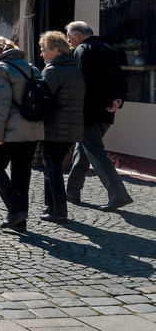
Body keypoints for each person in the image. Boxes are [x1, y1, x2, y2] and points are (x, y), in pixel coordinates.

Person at [65, 21, 133, 211]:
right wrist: (117, 100)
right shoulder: (109, 49)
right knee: (83, 149)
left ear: (78, 35)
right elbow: (122, 79)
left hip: (88, 112)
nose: (68, 41)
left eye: (69, 36)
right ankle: (71, 192)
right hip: (108, 111)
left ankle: (118, 195)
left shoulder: (82, 51)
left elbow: (84, 85)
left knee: (95, 152)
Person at [0, 36, 44, 233]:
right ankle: (20, 222)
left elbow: (0, 105)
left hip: (10, 130)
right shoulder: (31, 67)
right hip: (33, 128)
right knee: (22, 174)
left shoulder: (0, 68)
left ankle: (16, 209)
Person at [38, 30, 85, 222]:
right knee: (53, 167)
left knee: (52, 169)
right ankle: (52, 207)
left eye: (43, 49)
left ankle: (58, 210)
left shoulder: (52, 70)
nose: (42, 53)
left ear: (56, 50)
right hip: (72, 126)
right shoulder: (75, 67)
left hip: (55, 127)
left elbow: (43, 98)